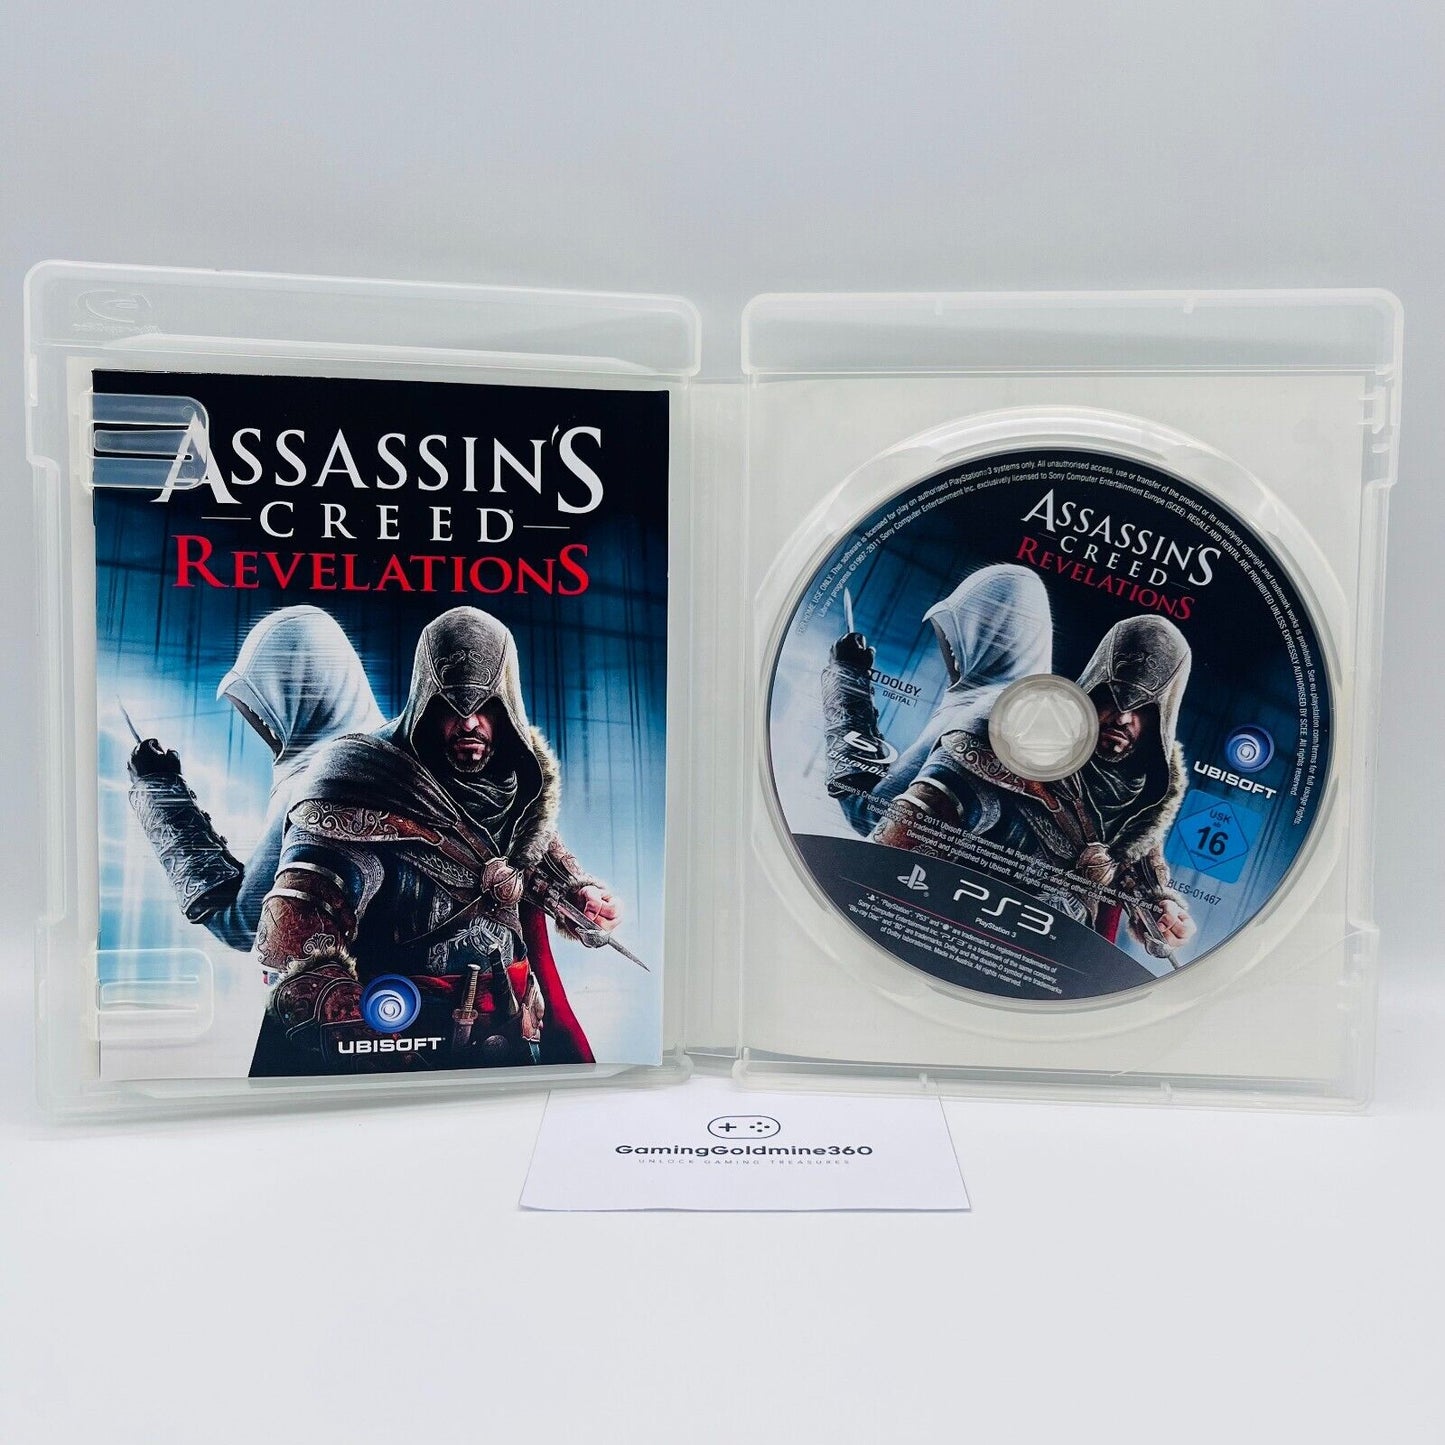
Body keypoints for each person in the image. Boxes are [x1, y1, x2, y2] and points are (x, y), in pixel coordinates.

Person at [249, 606, 617, 1075]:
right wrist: (366, 1037)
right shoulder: (359, 780)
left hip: (514, 1040)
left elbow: (535, 859)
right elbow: (295, 944)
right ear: (424, 701)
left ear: (507, 707)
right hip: (395, 1043)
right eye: (451, 707)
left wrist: (581, 896)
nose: (469, 723)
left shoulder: (511, 786)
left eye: (486, 706)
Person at [873, 614, 1196, 960]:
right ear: (1091, 689)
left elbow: (1136, 874)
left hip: (1048, 965)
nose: (1122, 718)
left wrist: (1162, 912)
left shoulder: (1139, 800)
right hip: (946, 939)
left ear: (1162, 720)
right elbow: (888, 860)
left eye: (1143, 709)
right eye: (1113, 697)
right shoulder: (1000, 739)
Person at [126, 606, 384, 955]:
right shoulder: (393, 755)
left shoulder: (314, 783)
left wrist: (161, 793)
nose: (262, 724)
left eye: (267, 705)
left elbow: (246, 925)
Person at [822, 564, 1054, 836]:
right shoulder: (1042, 719)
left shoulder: (976, 715)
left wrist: (847, 679)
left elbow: (869, 814)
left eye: (966, 628)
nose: (950, 646)